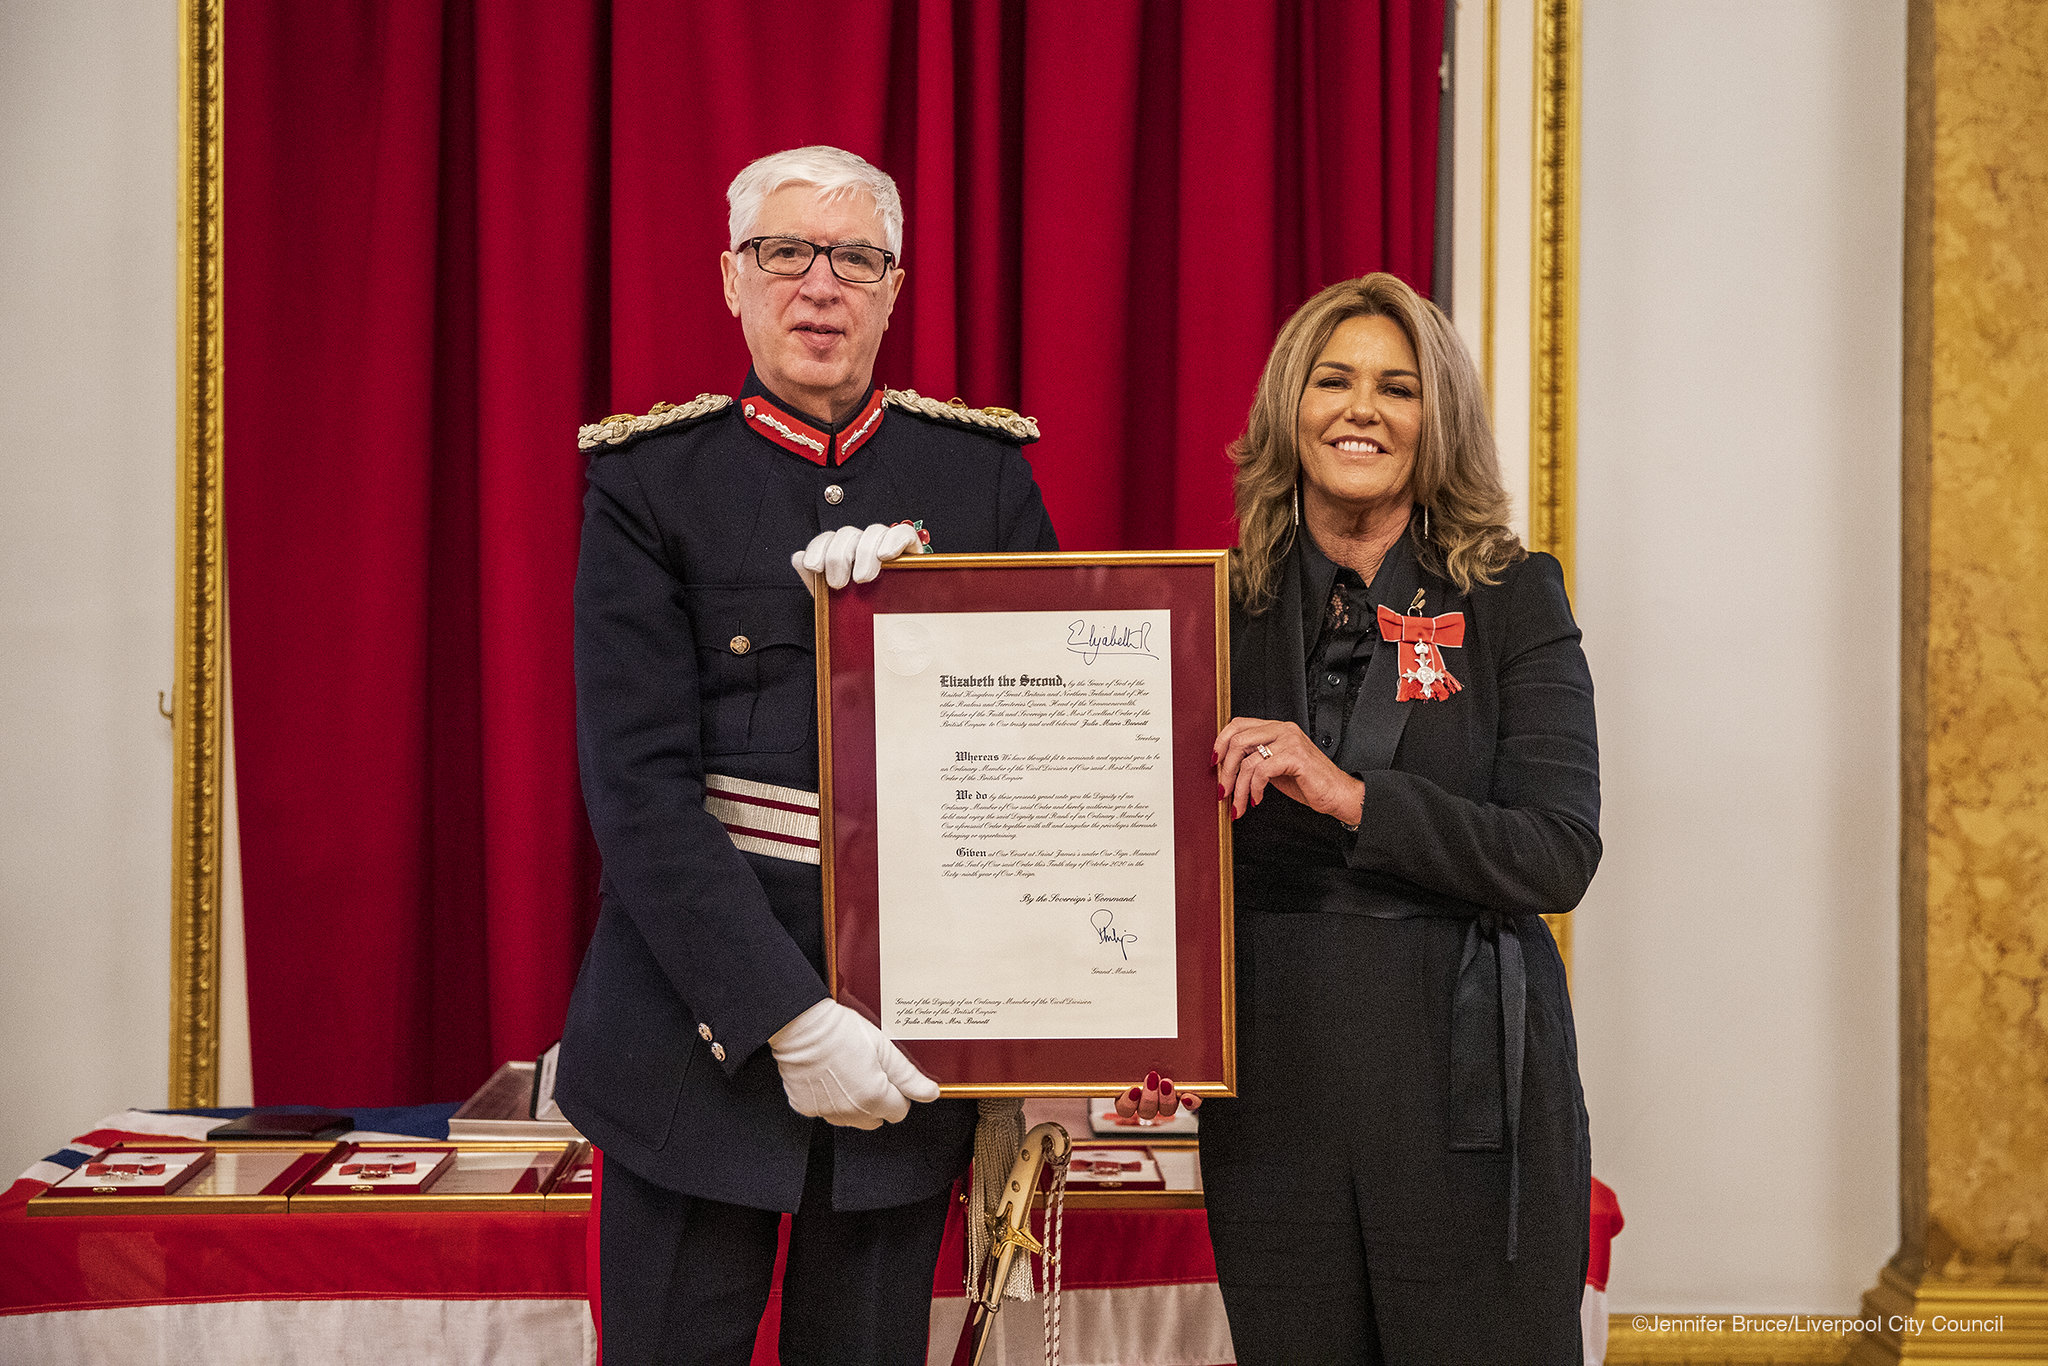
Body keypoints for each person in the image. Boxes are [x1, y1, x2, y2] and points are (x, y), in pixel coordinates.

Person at [557, 145, 1059, 1365]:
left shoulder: (980, 479)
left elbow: (1045, 753)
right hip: (696, 1037)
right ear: (732, 280)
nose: (818, 286)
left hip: (906, 1047)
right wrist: (786, 1016)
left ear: (892, 289)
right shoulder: (649, 481)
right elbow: (638, 791)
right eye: (785, 254)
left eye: (854, 259)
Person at [1122, 273, 1598, 1364]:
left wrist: (1348, 796)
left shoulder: (1513, 594)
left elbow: (1557, 849)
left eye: (1397, 387)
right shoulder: (1210, 604)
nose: (1360, 409)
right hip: (1274, 1090)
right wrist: (1139, 1024)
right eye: (1332, 380)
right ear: (1289, 410)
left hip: (1465, 1087)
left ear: (1438, 422)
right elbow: (1156, 860)